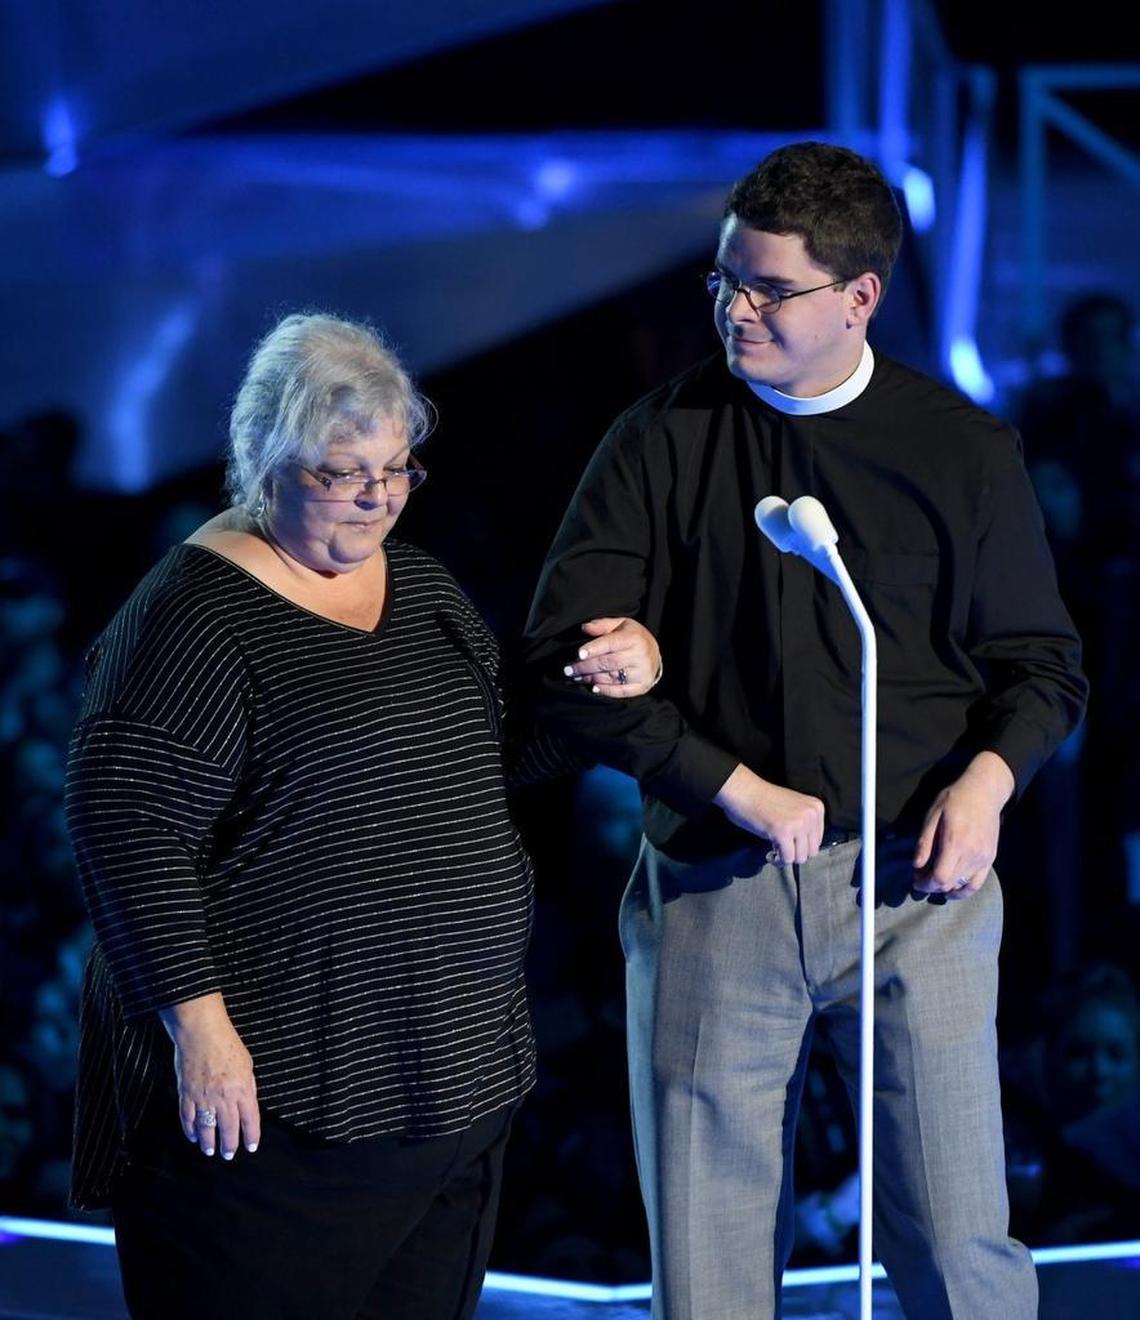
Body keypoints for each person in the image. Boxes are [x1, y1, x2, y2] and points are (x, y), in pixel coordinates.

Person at [525, 143, 1087, 1319]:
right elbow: (563, 665)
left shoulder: (962, 450)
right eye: (725, 280)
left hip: (918, 892)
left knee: (959, 1247)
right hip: (716, 889)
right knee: (710, 1269)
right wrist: (736, 786)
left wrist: (987, 783)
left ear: (859, 297)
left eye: (770, 289)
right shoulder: (660, 439)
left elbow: (1043, 668)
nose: (736, 309)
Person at [64, 312, 661, 1320]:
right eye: (346, 474)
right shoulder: (196, 616)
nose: (380, 497)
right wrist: (200, 1029)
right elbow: (124, 826)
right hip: (277, 1126)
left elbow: (494, 759)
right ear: (268, 464)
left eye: (397, 469)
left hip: (453, 1093)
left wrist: (600, 681)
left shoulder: (419, 585)